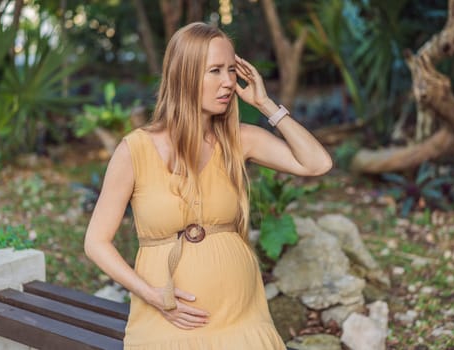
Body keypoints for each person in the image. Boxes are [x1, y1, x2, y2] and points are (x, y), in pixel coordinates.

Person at [84, 22, 332, 349]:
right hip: (166, 321)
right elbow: (96, 242)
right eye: (215, 70)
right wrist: (153, 295)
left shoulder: (240, 140)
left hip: (242, 320)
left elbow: (317, 163)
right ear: (184, 75)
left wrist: (265, 104)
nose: (229, 81)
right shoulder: (135, 150)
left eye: (231, 70)